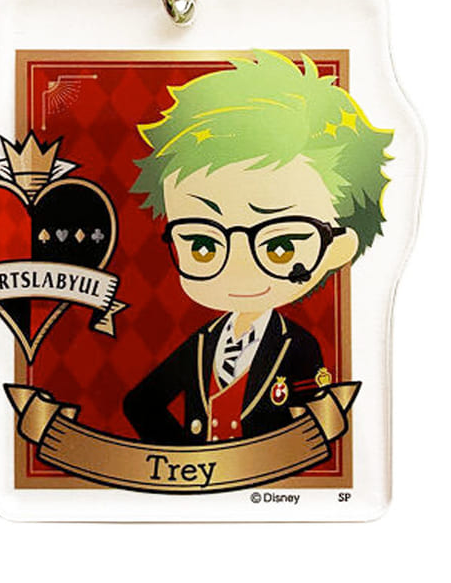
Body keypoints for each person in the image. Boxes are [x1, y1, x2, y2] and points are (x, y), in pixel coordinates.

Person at [123, 51, 393, 445]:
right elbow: (140, 403)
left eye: (280, 246)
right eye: (203, 245)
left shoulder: (298, 345)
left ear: (338, 248)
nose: (238, 268)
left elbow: (319, 428)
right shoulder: (202, 343)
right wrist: (183, 459)